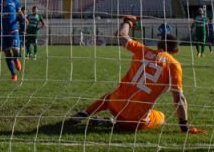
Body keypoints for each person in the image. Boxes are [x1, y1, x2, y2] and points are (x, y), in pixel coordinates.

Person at [72, 16, 206, 134]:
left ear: (158, 44)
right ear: (175, 50)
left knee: (109, 96)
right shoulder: (173, 65)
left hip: (115, 107)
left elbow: (122, 36)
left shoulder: (142, 51)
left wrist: (128, 21)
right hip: (134, 121)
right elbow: (179, 98)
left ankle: (85, 113)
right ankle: (114, 123)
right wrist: (184, 126)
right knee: (161, 116)